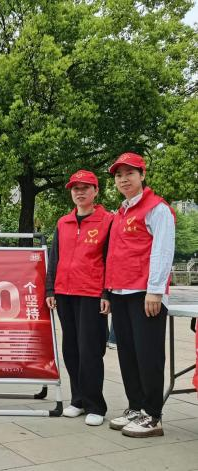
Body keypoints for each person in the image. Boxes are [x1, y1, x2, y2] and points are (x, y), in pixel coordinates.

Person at [105, 152, 175, 438]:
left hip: (145, 294)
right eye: (119, 175)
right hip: (120, 292)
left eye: (130, 173)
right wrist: (109, 291)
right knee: (128, 354)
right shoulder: (121, 212)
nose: (123, 179)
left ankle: (153, 415)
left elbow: (162, 250)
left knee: (148, 355)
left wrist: (155, 291)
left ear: (142, 175)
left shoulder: (157, 208)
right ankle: (136, 407)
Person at [45, 170, 113, 426]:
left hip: (91, 294)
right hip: (65, 293)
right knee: (71, 349)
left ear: (96, 191)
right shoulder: (64, 222)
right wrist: (50, 290)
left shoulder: (108, 221)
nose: (80, 192)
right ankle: (78, 400)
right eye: (75, 188)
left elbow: (110, 259)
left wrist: (106, 292)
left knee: (90, 350)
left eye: (85, 188)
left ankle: (96, 405)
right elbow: (55, 257)